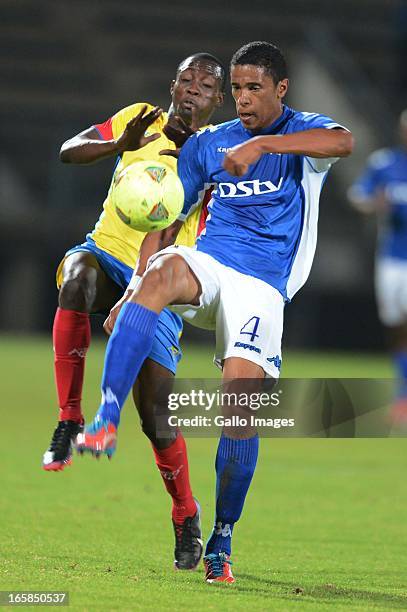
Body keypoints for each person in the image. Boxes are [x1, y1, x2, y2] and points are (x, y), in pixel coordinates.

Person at [77, 41, 353, 583]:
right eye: (237, 90)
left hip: (263, 287)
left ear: (281, 89)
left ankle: (222, 537)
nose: (243, 99)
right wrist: (135, 286)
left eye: (255, 88)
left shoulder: (301, 134)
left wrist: (266, 145)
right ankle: (106, 416)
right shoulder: (210, 144)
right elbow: (167, 215)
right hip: (211, 263)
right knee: (158, 278)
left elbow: (344, 141)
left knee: (237, 414)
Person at [42, 52, 226, 570]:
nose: (193, 89)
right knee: (76, 278)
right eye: (186, 79)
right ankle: (68, 418)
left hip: (160, 281)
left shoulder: (212, 153)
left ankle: (185, 512)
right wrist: (116, 145)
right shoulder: (137, 119)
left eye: (206, 84)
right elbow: (67, 151)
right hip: (105, 254)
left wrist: (135, 295)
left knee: (155, 415)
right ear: (172, 84)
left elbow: (168, 231)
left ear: (218, 99)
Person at [348, 109, 407, 423]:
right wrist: (375, 204)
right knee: (396, 326)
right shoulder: (386, 163)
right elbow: (358, 196)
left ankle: (403, 396)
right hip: (391, 259)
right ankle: (403, 390)